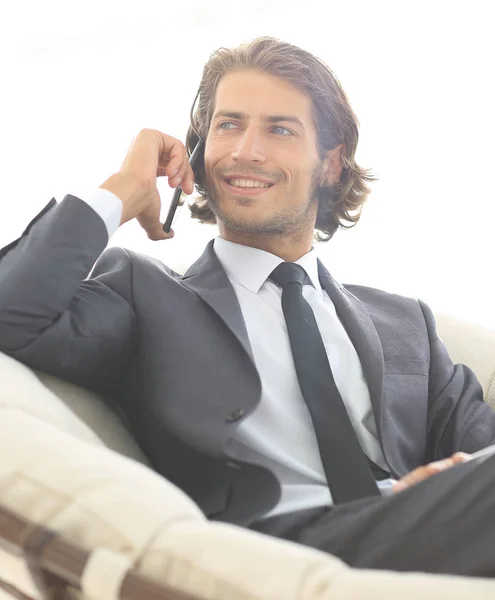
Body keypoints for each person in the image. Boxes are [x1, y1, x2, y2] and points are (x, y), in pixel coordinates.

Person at [1, 36, 495, 578]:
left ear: (331, 164)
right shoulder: (145, 294)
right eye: (228, 126)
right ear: (197, 153)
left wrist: (448, 478)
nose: (244, 151)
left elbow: (481, 444)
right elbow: (12, 310)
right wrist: (122, 189)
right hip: (273, 551)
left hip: (430, 525)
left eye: (279, 129)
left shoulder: (407, 325)